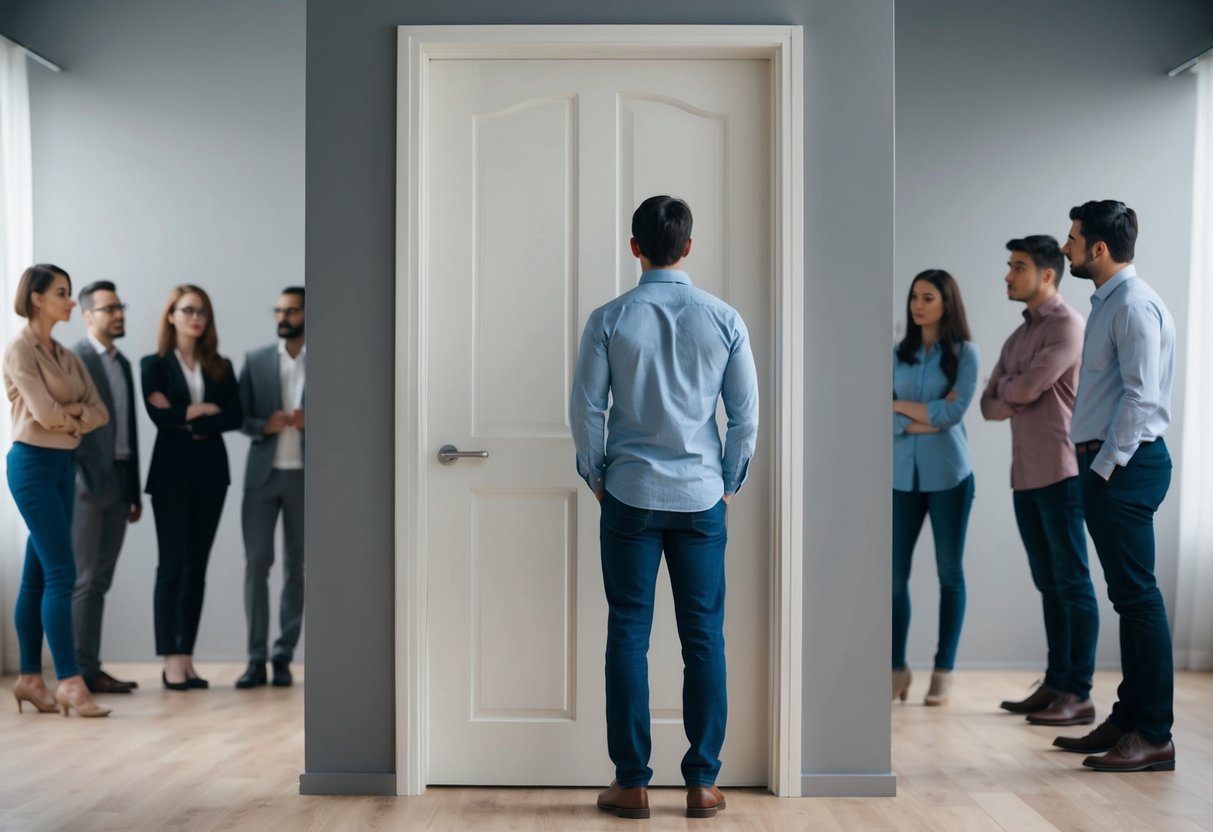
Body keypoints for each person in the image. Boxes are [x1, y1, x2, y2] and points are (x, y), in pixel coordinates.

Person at [570, 196, 758, 820]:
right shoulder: (724, 318)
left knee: (628, 630)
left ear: (635, 247)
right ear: (688, 247)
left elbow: (587, 411)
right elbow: (745, 417)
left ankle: (632, 784)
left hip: (628, 493)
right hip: (702, 496)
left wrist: (596, 475)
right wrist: (728, 483)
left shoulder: (609, 319)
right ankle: (702, 783)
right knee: (703, 636)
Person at [1052, 200, 1177, 772]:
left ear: (1099, 248)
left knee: (1138, 599)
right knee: (1128, 599)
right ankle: (1129, 719)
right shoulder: (1110, 302)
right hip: (1111, 465)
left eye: (1074, 237)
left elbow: (1141, 396)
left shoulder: (1132, 305)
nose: (1066, 245)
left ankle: (1153, 733)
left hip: (1124, 466)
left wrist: (1103, 468)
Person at [980, 237, 1098, 726]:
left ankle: (1079, 692)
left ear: (1047, 275)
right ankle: (1055, 684)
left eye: (1019, 267)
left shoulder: (1067, 325)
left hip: (1063, 472)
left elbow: (1022, 388)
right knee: (1049, 584)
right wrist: (1016, 390)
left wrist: (1016, 388)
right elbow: (989, 405)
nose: (1008, 275)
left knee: (1072, 583)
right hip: (1026, 476)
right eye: (1009, 266)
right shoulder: (1019, 335)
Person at [5, 264, 112, 717]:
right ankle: (69, 681)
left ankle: (30, 678)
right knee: (63, 573)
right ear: (36, 298)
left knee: (39, 573)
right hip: (30, 465)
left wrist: (69, 416)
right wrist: (72, 416)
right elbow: (46, 415)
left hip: (62, 467)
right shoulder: (19, 351)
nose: (71, 302)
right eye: (63, 293)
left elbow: (100, 412)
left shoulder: (68, 356)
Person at [141, 284, 241, 691]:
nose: (195, 317)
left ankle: (188, 656)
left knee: (197, 567)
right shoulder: (154, 364)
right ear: (171, 315)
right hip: (170, 474)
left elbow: (235, 415)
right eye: (187, 310)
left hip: (212, 474)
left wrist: (186, 415)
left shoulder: (221, 365)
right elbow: (158, 418)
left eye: (202, 311)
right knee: (173, 564)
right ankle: (171, 661)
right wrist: (204, 410)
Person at [891, 269, 978, 707]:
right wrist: (925, 415)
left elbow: (955, 413)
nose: (918, 305)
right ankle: (895, 670)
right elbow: (880, 415)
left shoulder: (966, 354)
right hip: (899, 479)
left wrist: (902, 413)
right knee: (891, 578)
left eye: (927, 297)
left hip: (950, 477)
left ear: (947, 303)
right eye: (914, 297)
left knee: (949, 574)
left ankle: (943, 670)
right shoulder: (896, 355)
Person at [71, 281, 143, 695]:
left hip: (119, 480)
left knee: (100, 579)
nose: (119, 314)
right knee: (83, 580)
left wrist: (133, 490)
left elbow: (127, 432)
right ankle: (77, 671)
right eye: (110, 308)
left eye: (121, 307)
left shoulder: (124, 364)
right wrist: (80, 479)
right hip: (87, 484)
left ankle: (90, 667)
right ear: (88, 316)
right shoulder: (75, 359)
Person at [235, 286, 306, 689]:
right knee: (256, 564)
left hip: (305, 475)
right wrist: (265, 425)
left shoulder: (326, 358)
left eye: (291, 311)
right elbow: (240, 417)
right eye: (278, 311)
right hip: (261, 477)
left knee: (299, 568)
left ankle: (283, 655)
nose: (283, 317)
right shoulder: (257, 360)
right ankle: (255, 658)